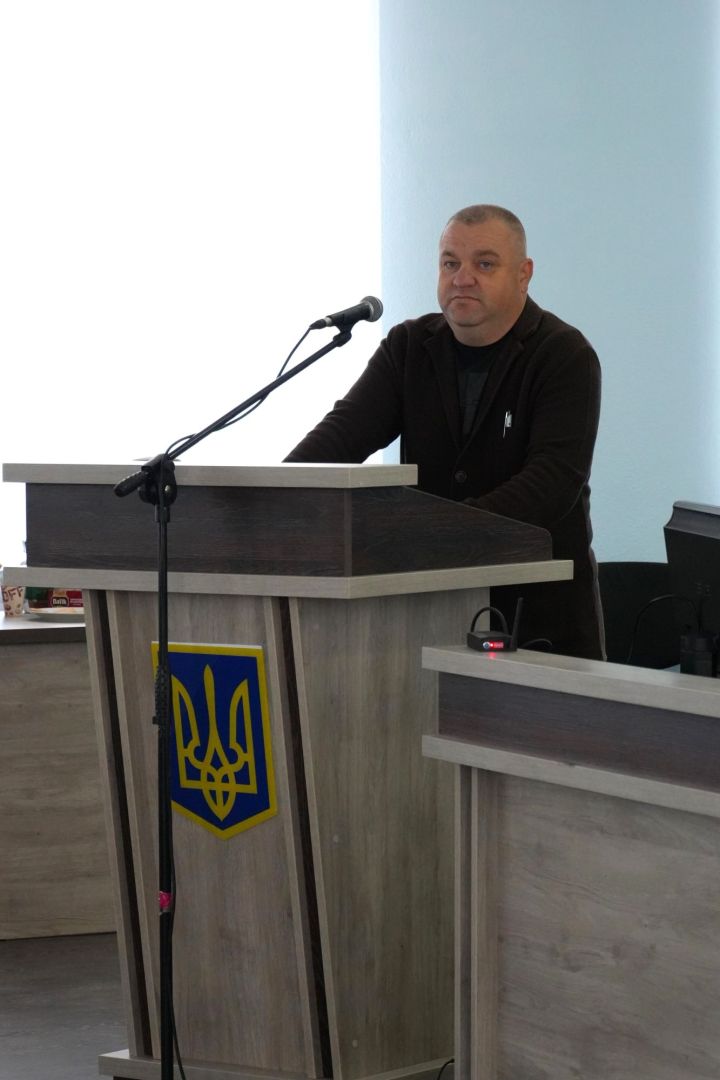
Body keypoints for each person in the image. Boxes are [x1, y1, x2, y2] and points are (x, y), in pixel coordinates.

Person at [286, 204, 604, 660]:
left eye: (484, 264)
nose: (462, 278)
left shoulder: (563, 354)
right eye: (450, 263)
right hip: (428, 613)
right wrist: (281, 492)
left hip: (538, 618)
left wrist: (436, 533)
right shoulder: (409, 347)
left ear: (524, 274)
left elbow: (553, 482)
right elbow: (340, 438)